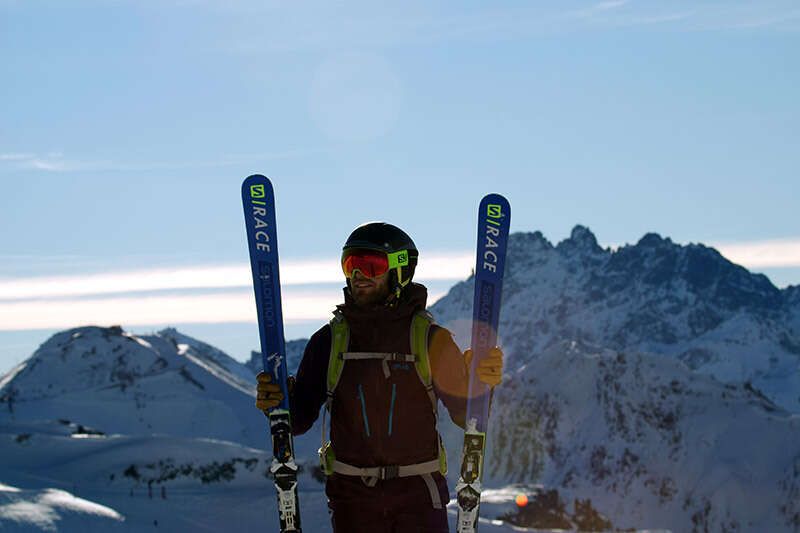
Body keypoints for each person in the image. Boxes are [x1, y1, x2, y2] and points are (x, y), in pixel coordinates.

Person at [256, 222, 503, 533]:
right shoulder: (329, 342)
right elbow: (300, 419)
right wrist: (278, 402)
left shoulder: (430, 340)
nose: (357, 275)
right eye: (350, 265)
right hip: (353, 501)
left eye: (370, 266)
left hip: (420, 499)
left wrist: (480, 383)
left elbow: (465, 415)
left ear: (400, 270)